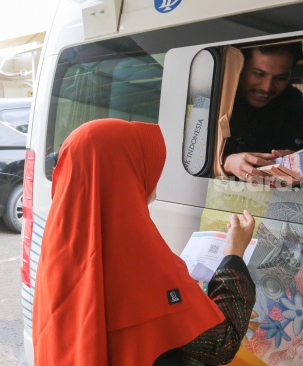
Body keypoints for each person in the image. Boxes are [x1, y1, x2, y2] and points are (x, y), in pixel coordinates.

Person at [32, 118, 257, 365]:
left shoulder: (58, 245)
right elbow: (220, 344)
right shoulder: (138, 258)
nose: (154, 179)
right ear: (122, 173)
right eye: (144, 167)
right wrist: (233, 255)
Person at [222, 42, 303, 182]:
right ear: (240, 68)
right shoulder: (214, 93)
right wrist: (226, 163)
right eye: (258, 74)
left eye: (280, 78)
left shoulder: (292, 100)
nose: (267, 88)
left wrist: (294, 161)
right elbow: (185, 156)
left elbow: (297, 150)